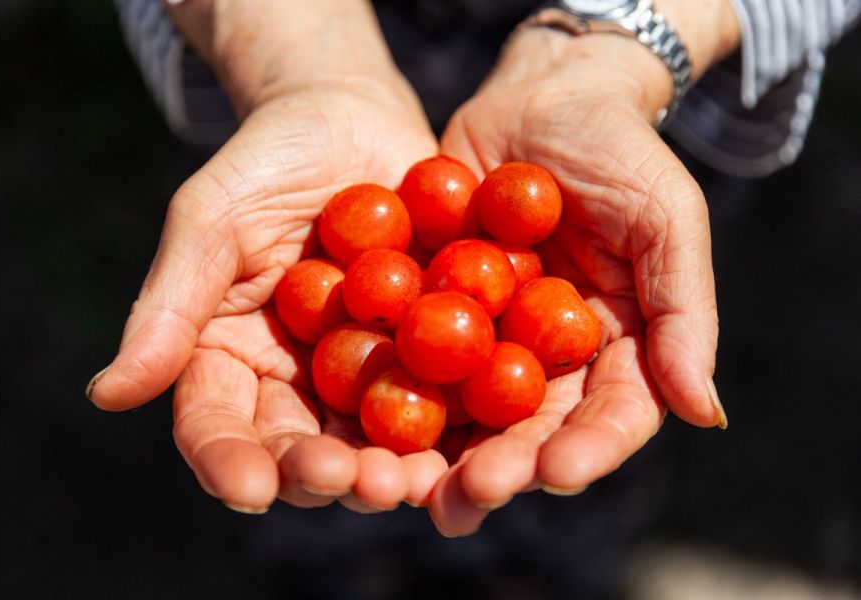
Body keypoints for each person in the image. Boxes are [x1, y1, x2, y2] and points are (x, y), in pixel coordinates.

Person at [89, 0, 858, 537]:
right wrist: (290, 49)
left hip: (640, 105)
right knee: (318, 481)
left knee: (579, 448)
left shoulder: (512, 283)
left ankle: (556, 555)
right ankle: (338, 562)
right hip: (288, 64)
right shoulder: (372, 285)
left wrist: (616, 44)